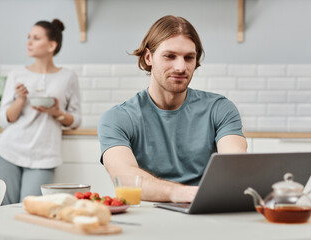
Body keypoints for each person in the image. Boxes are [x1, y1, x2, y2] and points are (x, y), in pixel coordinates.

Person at [97, 15, 247, 203]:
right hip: (148, 216)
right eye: (170, 56)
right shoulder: (117, 118)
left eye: (189, 58)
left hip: (206, 211)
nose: (181, 67)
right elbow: (126, 177)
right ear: (148, 57)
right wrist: (186, 194)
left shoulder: (220, 109)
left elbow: (234, 165)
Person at [0, 19, 81, 205]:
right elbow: (4, 119)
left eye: (36, 38)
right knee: (3, 210)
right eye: (29, 37)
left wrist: (57, 112)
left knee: (31, 209)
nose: (29, 42)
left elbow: (75, 119)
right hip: (9, 151)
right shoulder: (16, 74)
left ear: (51, 45)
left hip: (45, 156)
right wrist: (21, 100)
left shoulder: (68, 76)